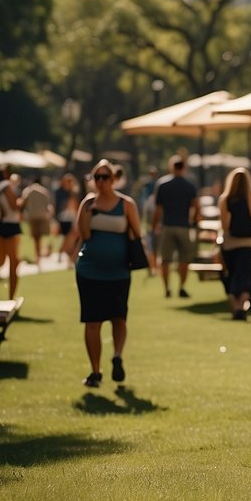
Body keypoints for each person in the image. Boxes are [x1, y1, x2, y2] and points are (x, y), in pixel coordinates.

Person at [74, 159, 142, 387]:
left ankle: (117, 356)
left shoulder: (126, 204)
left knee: (119, 318)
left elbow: (137, 232)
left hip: (119, 272)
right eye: (97, 177)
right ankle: (95, 371)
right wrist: (89, 213)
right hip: (90, 271)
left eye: (105, 177)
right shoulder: (87, 203)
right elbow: (84, 235)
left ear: (114, 179)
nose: (101, 182)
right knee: (92, 322)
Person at [219, 167, 251, 321]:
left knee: (234, 274)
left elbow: (224, 226)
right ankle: (242, 305)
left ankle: (236, 306)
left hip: (230, 243)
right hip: (249, 244)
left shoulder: (226, 200)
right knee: (244, 276)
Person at [152, 155, 200, 299]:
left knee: (165, 260)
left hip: (167, 226)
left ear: (171, 167)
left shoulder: (162, 184)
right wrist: (193, 219)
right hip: (184, 227)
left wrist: (154, 226)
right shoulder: (189, 185)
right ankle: (181, 287)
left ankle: (167, 289)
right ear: (183, 168)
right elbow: (197, 207)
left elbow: (158, 209)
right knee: (184, 259)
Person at [0, 168, 23, 299]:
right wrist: (24, 200)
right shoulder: (5, 185)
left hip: (1, 224)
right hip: (10, 225)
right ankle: (11, 297)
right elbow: (14, 206)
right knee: (13, 262)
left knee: (1, 261)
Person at [20, 175, 54, 263]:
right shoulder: (44, 190)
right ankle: (39, 254)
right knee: (40, 237)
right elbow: (48, 205)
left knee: (36, 237)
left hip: (32, 216)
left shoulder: (28, 190)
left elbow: (23, 203)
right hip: (42, 216)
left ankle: (38, 255)